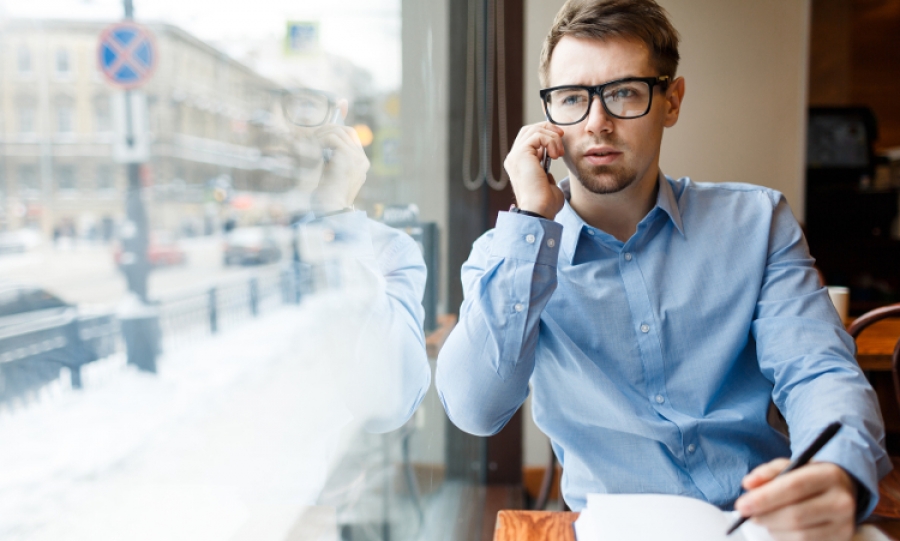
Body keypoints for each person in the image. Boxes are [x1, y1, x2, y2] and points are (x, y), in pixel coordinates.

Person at [435, 1, 890, 539]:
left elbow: (818, 371)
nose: (597, 123)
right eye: (573, 99)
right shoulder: (510, 253)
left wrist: (835, 469)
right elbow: (474, 410)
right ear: (550, 114)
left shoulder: (757, 221)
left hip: (758, 520)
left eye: (624, 92)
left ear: (670, 101)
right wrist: (533, 221)